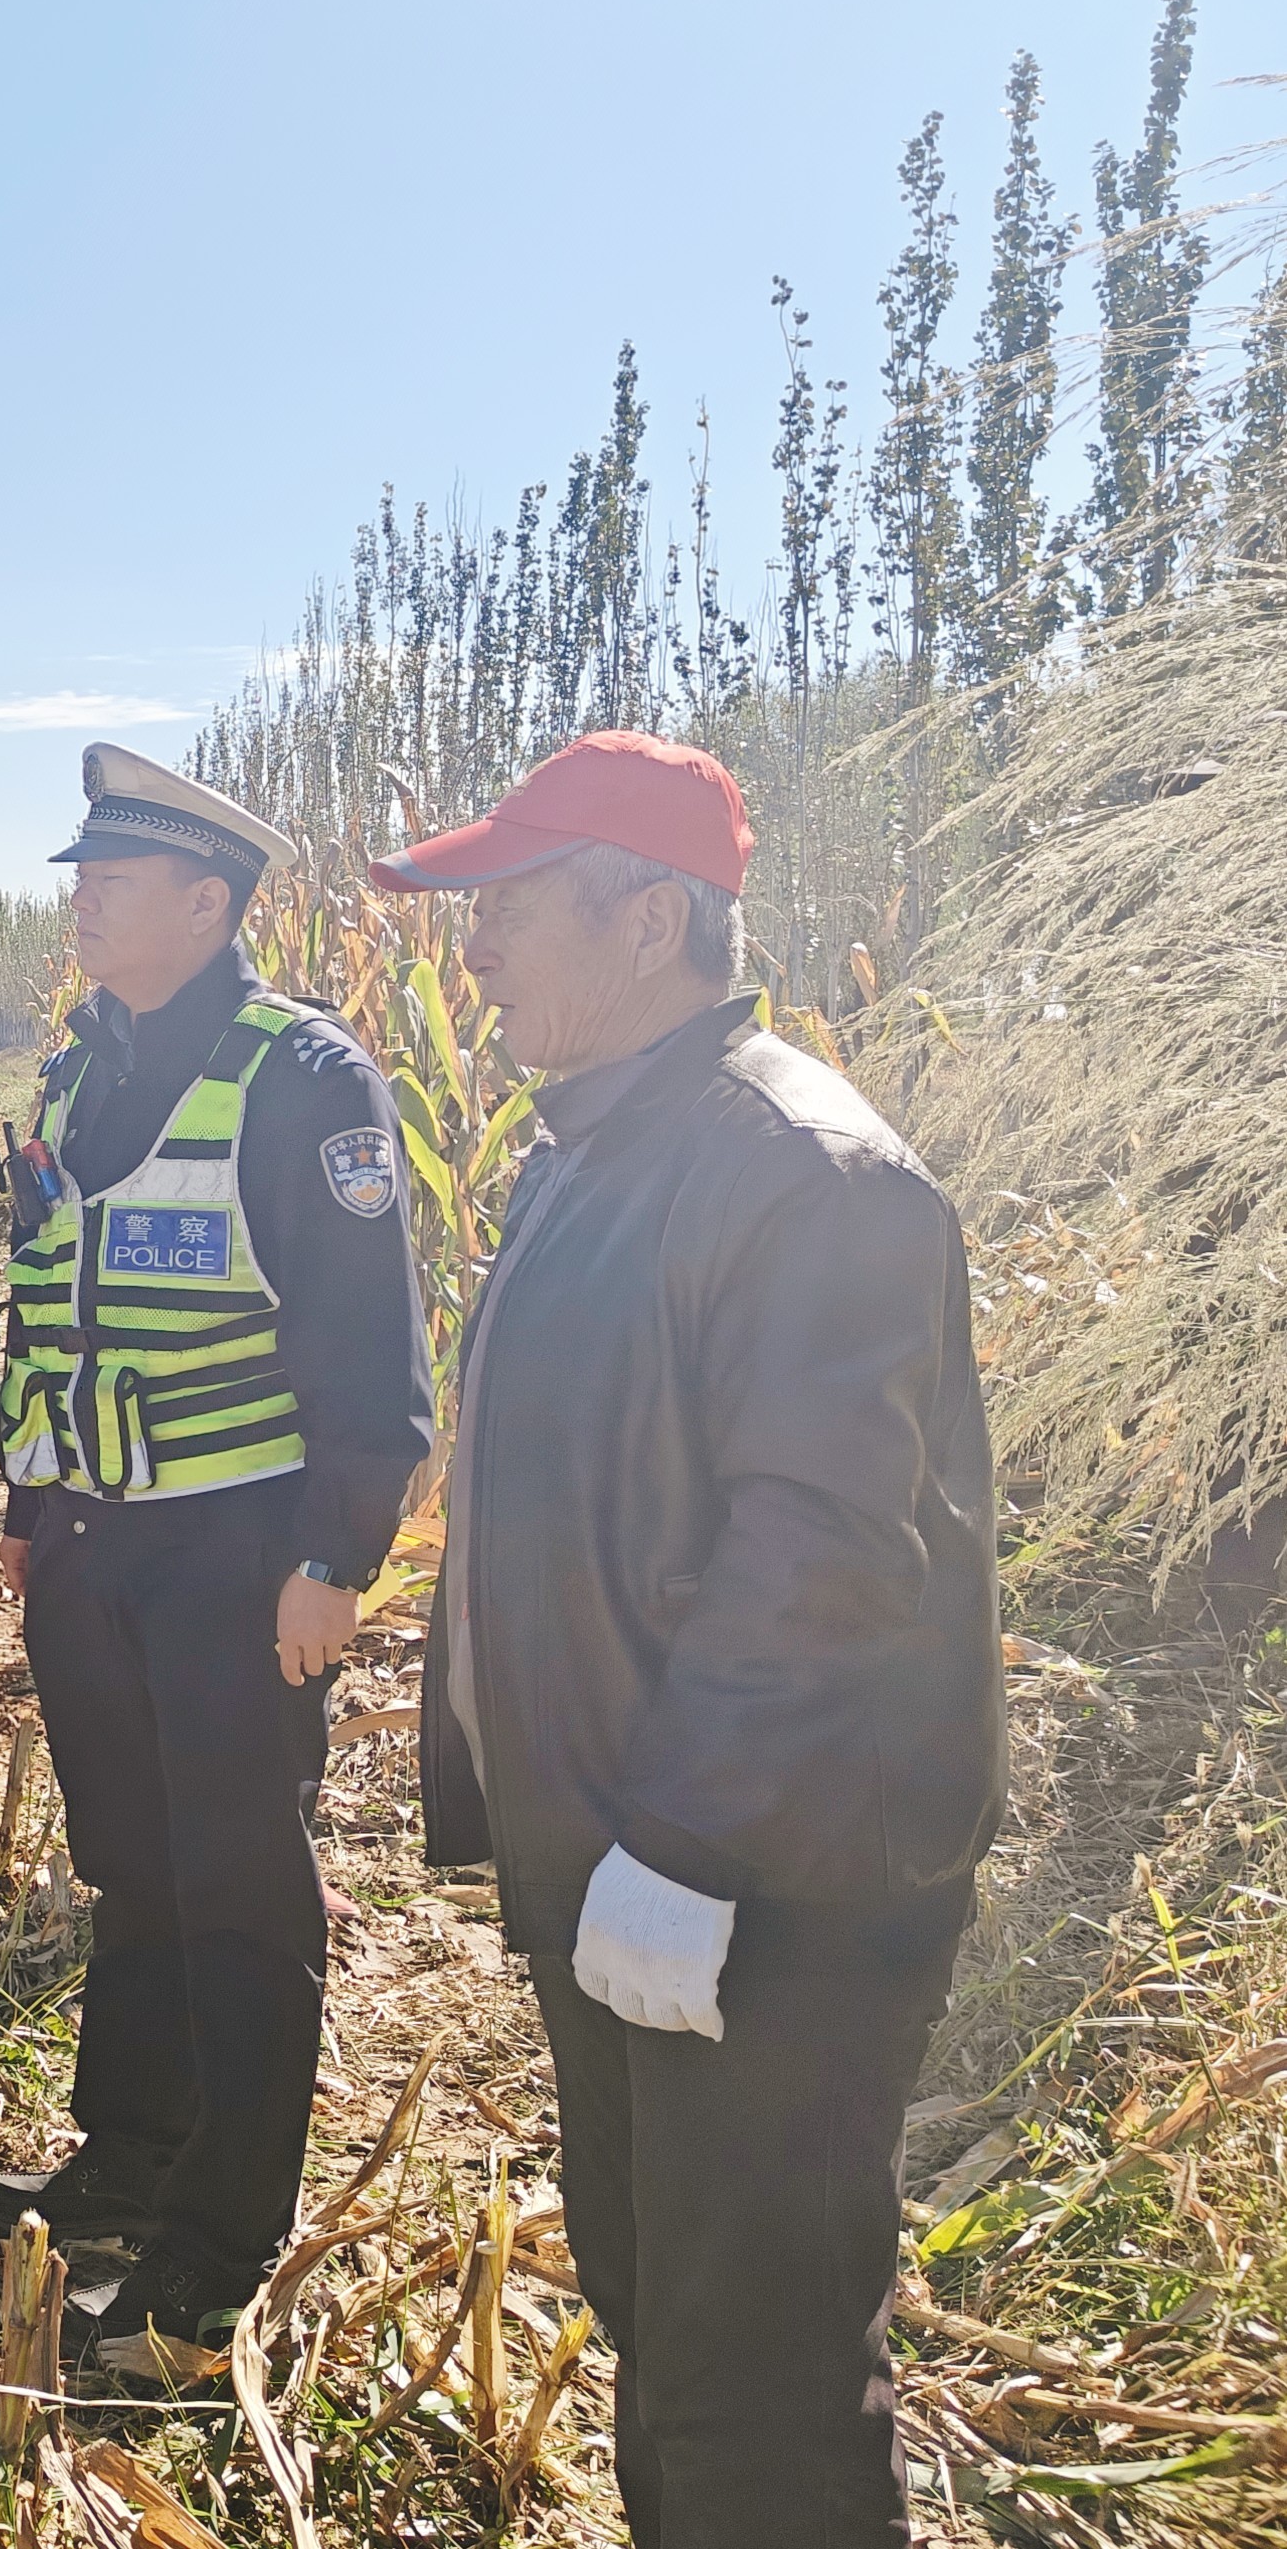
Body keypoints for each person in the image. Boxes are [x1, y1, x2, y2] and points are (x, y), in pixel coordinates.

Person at [374, 731, 1003, 2543]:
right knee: (666, 2314)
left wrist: (685, 1844)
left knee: (758, 2391)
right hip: (640, 1870)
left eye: (502, 905)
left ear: (647, 916)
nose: (469, 950)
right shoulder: (595, 1148)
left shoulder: (801, 1175)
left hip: (766, 1893)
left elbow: (819, 1548)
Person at [0, 745, 436, 2365]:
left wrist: (335, 1554)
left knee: (238, 1883)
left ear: (207, 900)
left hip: (238, 1551)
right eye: (77, 875)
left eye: (109, 878)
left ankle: (220, 2238)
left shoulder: (300, 1077)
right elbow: (34, 1301)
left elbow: (369, 1351)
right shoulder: (67, 1073)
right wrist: (31, 1507)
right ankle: (132, 2150)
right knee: (133, 1861)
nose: (79, 900)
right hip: (95, 1549)